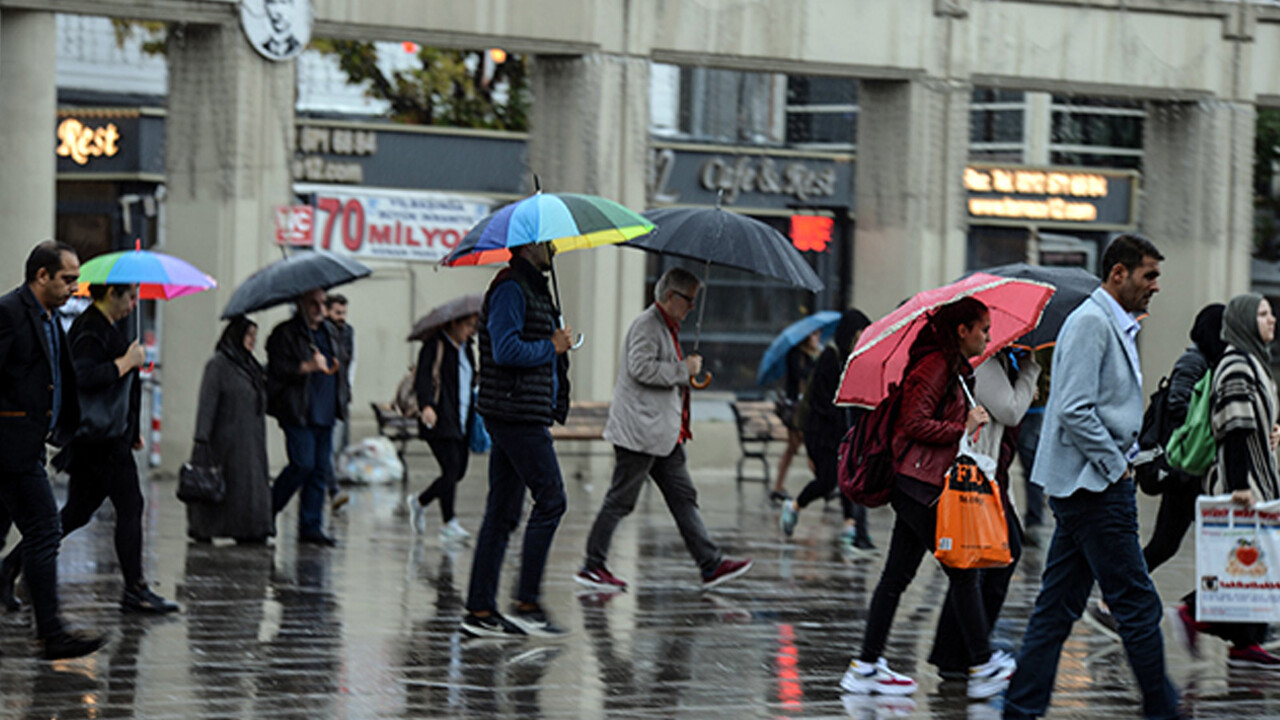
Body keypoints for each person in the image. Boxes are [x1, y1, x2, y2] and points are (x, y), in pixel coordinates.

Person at [1003, 234, 1180, 720]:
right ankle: (1162, 709)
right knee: (1138, 606)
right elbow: (1075, 410)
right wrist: (1116, 464)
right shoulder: (1092, 324)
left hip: (1088, 487)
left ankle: (1020, 708)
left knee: (1057, 608)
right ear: (1118, 273)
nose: (1155, 286)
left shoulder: (1111, 323)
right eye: (1149, 275)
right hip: (1096, 489)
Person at [841, 297, 1015, 700]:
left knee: (896, 577)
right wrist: (961, 426)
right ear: (962, 330)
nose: (988, 336)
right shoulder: (935, 364)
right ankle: (984, 663)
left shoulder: (950, 366)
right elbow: (912, 422)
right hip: (921, 487)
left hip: (916, 485)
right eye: (983, 329)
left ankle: (866, 665)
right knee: (963, 570)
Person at [2, 283, 178, 614]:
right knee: (131, 505)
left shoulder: (104, 327)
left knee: (77, 512)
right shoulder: (89, 330)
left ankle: (9, 567)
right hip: (100, 440)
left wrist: (133, 428)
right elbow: (82, 376)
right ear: (112, 294)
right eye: (131, 297)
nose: (134, 304)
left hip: (106, 436)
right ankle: (135, 589)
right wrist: (126, 362)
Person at [574, 268, 754, 593]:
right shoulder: (648, 324)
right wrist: (682, 370)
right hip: (640, 433)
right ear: (670, 296)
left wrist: (685, 373)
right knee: (621, 500)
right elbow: (640, 367)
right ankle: (592, 565)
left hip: (663, 435)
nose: (692, 308)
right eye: (689, 300)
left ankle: (710, 564)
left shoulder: (667, 326)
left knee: (684, 497)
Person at [1086, 304, 1226, 639]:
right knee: (1172, 544)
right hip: (1185, 472)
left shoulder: (1210, 362)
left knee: (1173, 544)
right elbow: (1179, 405)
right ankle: (1122, 601)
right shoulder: (1194, 361)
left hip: (1193, 473)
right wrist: (1212, 423)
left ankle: (1200, 610)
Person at [460, 241, 573, 638]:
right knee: (552, 499)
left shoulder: (535, 288)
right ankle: (526, 603)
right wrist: (551, 346)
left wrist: (558, 348)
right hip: (514, 412)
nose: (554, 247)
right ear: (528, 245)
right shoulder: (510, 288)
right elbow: (506, 350)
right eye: (547, 242)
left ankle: (479, 610)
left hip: (521, 410)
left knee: (504, 511)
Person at [0, 241, 106, 659]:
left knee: (30, 529)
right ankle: (51, 632)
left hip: (27, 445)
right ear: (41, 276)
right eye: (67, 279)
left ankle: (46, 625)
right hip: (11, 448)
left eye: (76, 280)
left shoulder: (49, 317)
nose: (73, 288)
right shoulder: (10, 313)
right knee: (45, 529)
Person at [1164, 294, 1280, 668]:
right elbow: (1233, 427)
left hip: (1257, 477)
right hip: (1244, 482)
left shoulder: (1253, 363)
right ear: (1245, 321)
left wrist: (1272, 432)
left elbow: (1253, 424)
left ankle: (1245, 643)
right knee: (1246, 563)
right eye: (1263, 314)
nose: (1272, 319)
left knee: (1251, 565)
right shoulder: (1236, 366)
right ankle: (1192, 612)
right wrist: (1239, 486)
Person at [928, 348, 1039, 678]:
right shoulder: (987, 363)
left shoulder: (1000, 362)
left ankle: (957, 655)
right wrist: (1030, 371)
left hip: (989, 475)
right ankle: (966, 654)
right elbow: (1010, 411)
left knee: (977, 565)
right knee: (993, 558)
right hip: (977, 476)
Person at [778, 309, 876, 551]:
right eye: (861, 333)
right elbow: (823, 401)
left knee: (844, 478)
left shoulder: (851, 359)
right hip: (821, 434)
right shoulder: (830, 358)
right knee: (827, 480)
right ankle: (794, 506)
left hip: (841, 434)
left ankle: (850, 525)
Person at [267, 287, 351, 547]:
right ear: (299, 304)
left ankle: (311, 526)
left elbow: (341, 361)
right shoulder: (285, 333)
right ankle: (267, 509)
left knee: (319, 469)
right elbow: (276, 369)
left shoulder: (329, 331)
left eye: (322, 303)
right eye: (313, 303)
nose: (319, 308)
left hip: (326, 410)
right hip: (298, 410)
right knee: (302, 464)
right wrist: (306, 367)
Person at [187, 316, 273, 544]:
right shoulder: (218, 365)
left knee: (248, 487)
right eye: (248, 335)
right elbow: (207, 403)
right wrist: (202, 439)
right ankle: (209, 528)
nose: (253, 340)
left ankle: (250, 529)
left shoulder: (250, 367)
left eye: (255, 335)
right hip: (225, 441)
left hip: (250, 441)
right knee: (226, 487)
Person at [407, 311, 479, 543]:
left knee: (457, 472)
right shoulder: (435, 345)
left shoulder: (467, 349)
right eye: (468, 325)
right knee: (451, 469)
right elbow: (424, 378)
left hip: (463, 418)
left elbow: (471, 379)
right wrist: (427, 405)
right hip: (439, 418)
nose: (471, 331)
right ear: (454, 323)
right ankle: (449, 524)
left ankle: (419, 502)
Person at [770, 330, 820, 503]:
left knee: (794, 448)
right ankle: (824, 483)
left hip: (803, 409)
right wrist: (815, 363)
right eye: (815, 335)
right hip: (795, 410)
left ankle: (778, 486)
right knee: (803, 447)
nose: (817, 339)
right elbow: (801, 375)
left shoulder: (810, 355)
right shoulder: (795, 355)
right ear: (806, 337)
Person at [324, 293, 354, 513]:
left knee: (334, 449)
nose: (341, 317)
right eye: (337, 313)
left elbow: (349, 362)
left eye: (344, 313)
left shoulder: (347, 332)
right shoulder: (324, 332)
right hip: (325, 397)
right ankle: (333, 489)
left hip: (340, 396)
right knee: (327, 449)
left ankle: (331, 488)